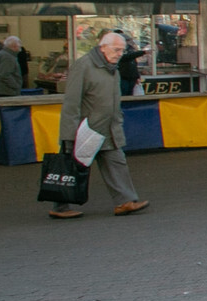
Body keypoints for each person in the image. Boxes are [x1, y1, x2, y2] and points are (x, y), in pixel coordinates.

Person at [52, 29, 148, 219]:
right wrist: (69, 134)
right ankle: (60, 206)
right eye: (116, 50)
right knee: (72, 168)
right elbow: (72, 102)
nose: (120, 54)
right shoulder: (84, 66)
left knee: (117, 163)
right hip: (85, 131)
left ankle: (125, 201)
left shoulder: (112, 68)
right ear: (102, 48)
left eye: (122, 50)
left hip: (108, 128)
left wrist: (117, 123)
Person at [0, 35, 24, 100]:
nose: (20, 49)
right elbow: (4, 74)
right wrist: (16, 86)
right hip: (5, 92)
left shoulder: (2, 54)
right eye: (19, 46)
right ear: (14, 46)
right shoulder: (8, 57)